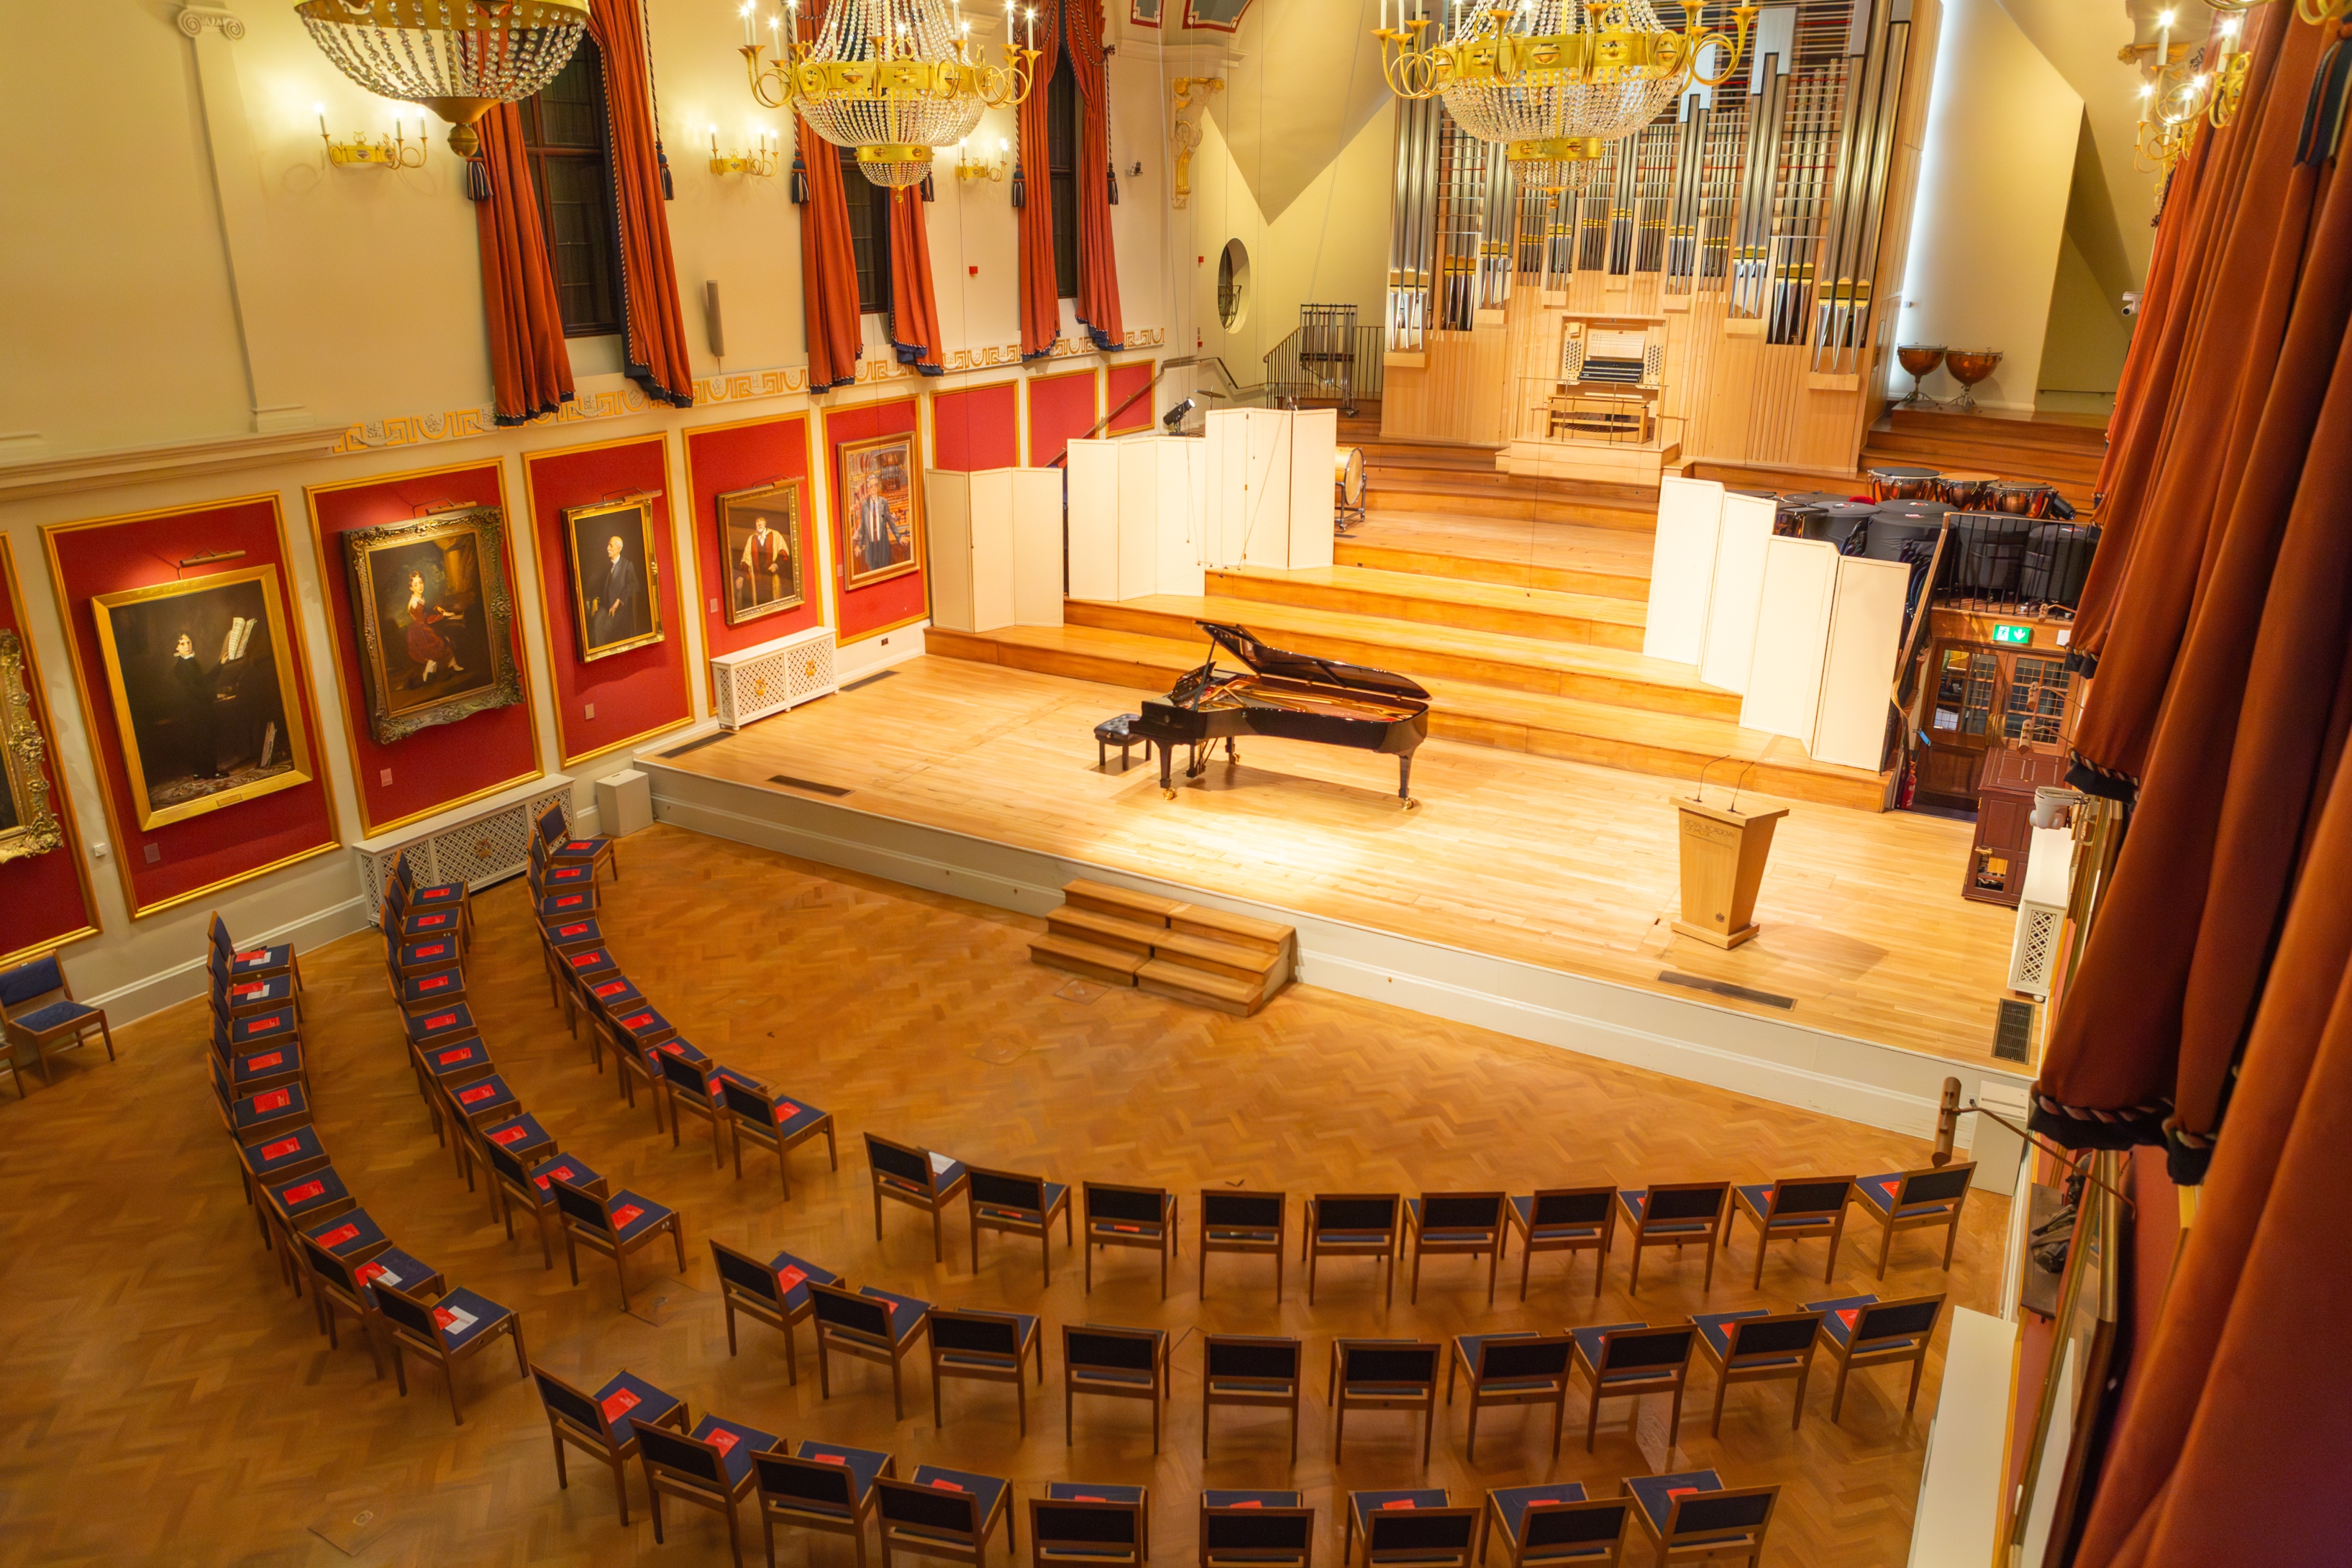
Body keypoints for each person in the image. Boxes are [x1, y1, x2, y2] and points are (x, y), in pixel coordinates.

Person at [168, 632, 224, 780]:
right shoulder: (181, 667)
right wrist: (214, 696)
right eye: (182, 643)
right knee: (201, 741)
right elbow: (194, 689)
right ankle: (206, 773)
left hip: (200, 707)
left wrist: (220, 664)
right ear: (176, 648)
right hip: (193, 710)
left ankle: (210, 771)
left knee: (207, 739)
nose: (187, 646)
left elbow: (204, 681)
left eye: (189, 642)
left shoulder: (191, 662)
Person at [399, 570, 465, 688]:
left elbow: (427, 610)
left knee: (443, 644)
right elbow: (426, 619)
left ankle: (451, 665)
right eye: (416, 585)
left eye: (421, 582)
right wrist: (443, 615)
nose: (420, 586)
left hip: (423, 628)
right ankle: (428, 674)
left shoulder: (419, 598)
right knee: (438, 648)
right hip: (421, 631)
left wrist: (439, 609)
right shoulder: (415, 603)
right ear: (411, 588)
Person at [591, 532, 645, 646]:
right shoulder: (606, 567)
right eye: (608, 546)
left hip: (620, 611)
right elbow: (597, 585)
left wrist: (619, 600)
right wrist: (595, 599)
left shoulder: (627, 565)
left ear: (619, 549)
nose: (607, 549)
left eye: (611, 546)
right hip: (605, 607)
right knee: (596, 623)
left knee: (603, 629)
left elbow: (635, 585)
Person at [737, 514, 790, 611]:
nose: (759, 523)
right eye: (757, 521)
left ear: (765, 522)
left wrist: (776, 565)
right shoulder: (751, 539)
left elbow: (784, 553)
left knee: (774, 606)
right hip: (757, 581)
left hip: (772, 578)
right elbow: (746, 560)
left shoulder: (775, 535)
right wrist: (741, 576)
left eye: (761, 520)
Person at [853, 476, 902, 576]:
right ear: (868, 489)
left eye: (875, 486)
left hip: (883, 545)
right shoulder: (864, 505)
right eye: (871, 487)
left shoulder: (883, 502)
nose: (874, 489)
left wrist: (899, 537)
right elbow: (863, 527)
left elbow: (890, 521)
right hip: (871, 548)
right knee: (873, 576)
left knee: (885, 574)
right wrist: (859, 544)